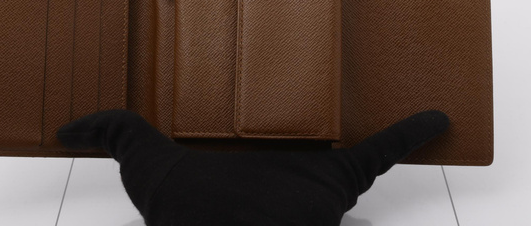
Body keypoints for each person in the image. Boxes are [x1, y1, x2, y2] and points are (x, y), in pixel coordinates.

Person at [57, 109, 449, 226]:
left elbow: (120, 128)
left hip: (179, 181)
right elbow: (121, 128)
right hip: (315, 187)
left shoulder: (166, 183)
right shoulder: (327, 186)